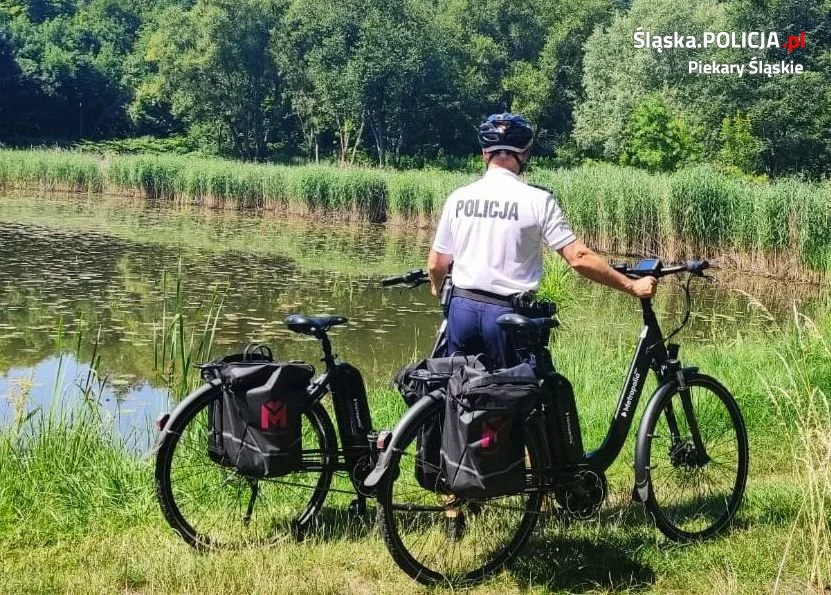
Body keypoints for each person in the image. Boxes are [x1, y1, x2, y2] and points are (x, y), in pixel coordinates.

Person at [427, 113, 657, 366]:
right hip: (507, 316)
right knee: (519, 395)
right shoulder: (537, 200)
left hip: (462, 309)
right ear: (524, 154)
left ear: (484, 153)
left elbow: (437, 264)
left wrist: (439, 290)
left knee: (458, 391)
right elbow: (578, 257)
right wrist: (632, 286)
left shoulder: (459, 197)